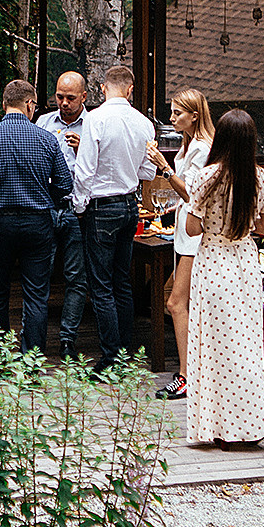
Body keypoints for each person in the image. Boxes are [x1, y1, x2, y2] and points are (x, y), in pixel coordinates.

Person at [150, 88, 264, 400]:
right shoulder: (189, 145)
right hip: (199, 239)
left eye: (178, 112)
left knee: (178, 303)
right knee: (187, 305)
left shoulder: (204, 152)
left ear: (194, 115)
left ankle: (187, 374)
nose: (172, 117)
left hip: (204, 240)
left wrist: (164, 169)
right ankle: (195, 372)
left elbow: (195, 198)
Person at [182, 109, 264, 451]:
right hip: (244, 262)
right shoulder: (262, 178)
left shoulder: (206, 177)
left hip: (213, 262)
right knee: (246, 345)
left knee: (214, 347)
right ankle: (254, 420)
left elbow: (192, 229)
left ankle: (220, 423)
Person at [0, 79, 74, 353]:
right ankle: (32, 358)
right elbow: (65, 185)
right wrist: (42, 193)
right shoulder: (47, 139)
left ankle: (0, 354)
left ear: (3, 104)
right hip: (38, 222)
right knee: (36, 294)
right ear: (29, 104)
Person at [70, 64, 158, 377]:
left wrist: (79, 206)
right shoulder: (144, 123)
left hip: (101, 206)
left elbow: (84, 169)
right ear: (130, 90)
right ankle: (124, 351)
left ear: (104, 88)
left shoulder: (95, 118)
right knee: (122, 281)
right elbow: (148, 172)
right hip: (130, 206)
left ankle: (110, 356)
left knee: (102, 285)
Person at [36, 71, 91, 354]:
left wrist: (85, 151)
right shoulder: (44, 123)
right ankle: (35, 337)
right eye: (60, 97)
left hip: (77, 207)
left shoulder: (93, 125)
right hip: (46, 204)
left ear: (84, 97)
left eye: (71, 98)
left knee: (75, 276)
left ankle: (68, 337)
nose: (64, 103)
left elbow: (102, 168)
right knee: (39, 274)